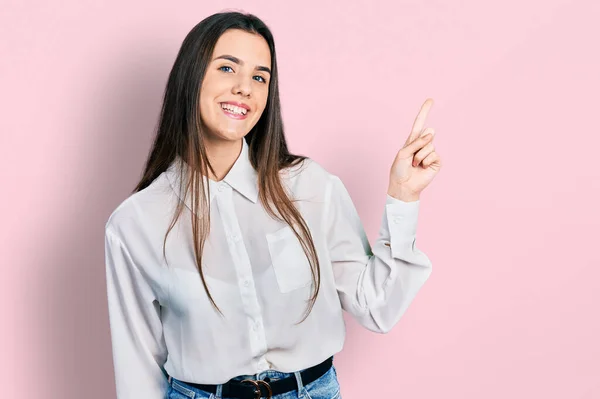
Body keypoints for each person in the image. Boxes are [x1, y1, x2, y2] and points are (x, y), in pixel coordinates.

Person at [104, 10, 441, 399]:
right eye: (228, 68)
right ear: (191, 77)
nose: (245, 88)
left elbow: (377, 306)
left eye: (259, 77)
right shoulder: (135, 222)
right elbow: (137, 370)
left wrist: (403, 196)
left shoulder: (309, 186)